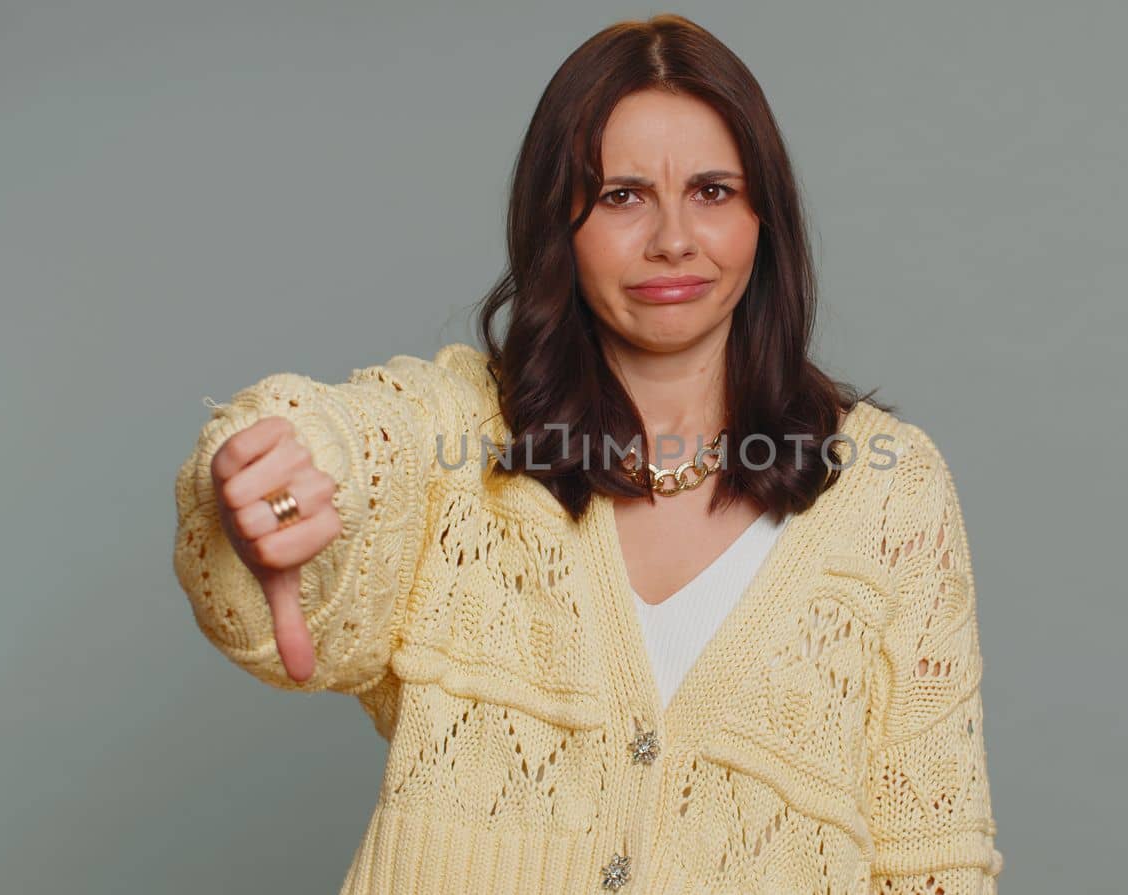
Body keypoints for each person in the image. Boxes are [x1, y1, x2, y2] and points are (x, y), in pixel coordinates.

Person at [172, 13, 1001, 894]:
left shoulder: (891, 490)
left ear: (766, 217)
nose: (673, 238)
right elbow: (358, 434)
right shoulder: (469, 441)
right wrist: (279, 465)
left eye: (714, 191)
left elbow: (933, 857)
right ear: (557, 224)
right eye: (622, 195)